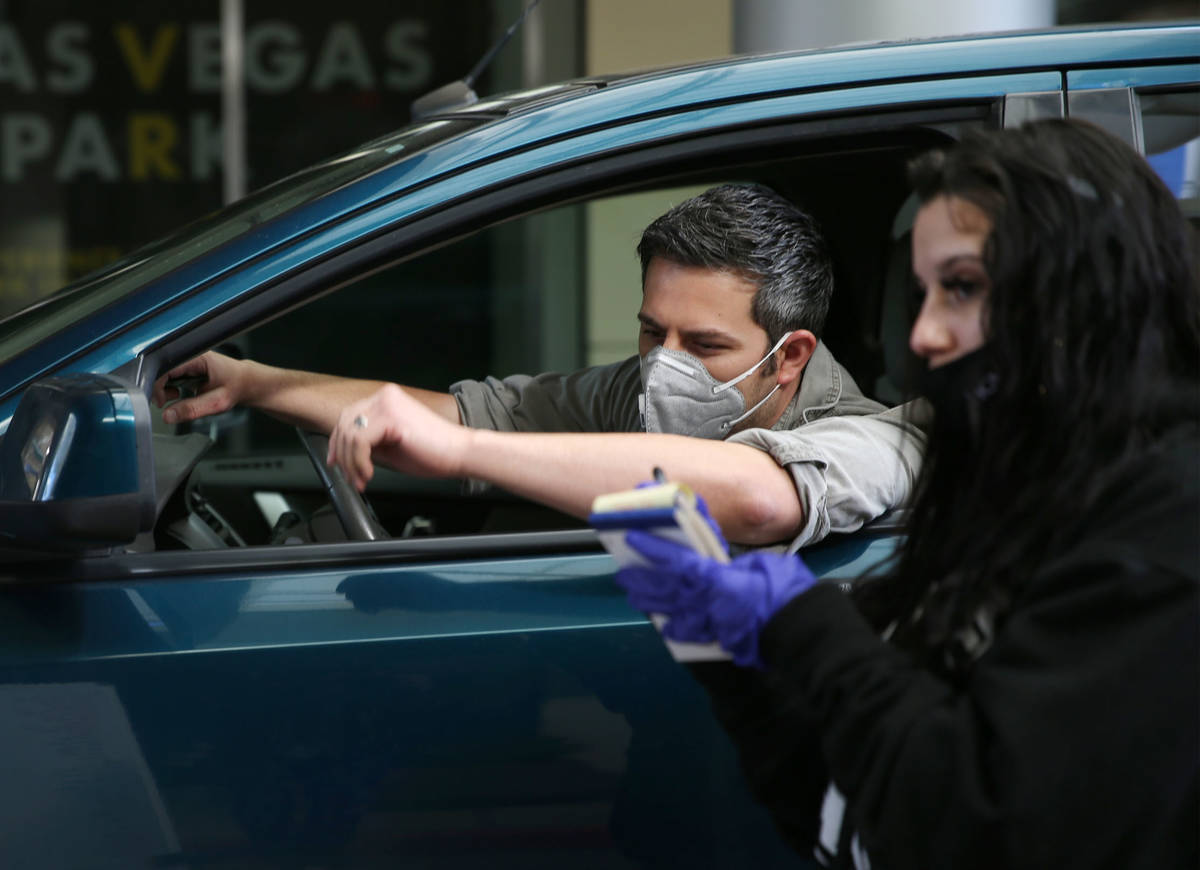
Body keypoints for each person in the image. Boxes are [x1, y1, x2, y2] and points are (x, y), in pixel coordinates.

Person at [613, 119, 1200, 869]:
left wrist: (803, 625)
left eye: (961, 288)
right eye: (921, 293)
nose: (922, 335)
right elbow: (871, 817)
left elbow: (975, 827)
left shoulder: (1167, 526)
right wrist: (740, 678)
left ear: (1082, 286)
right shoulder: (1008, 489)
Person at [157, 184, 924, 548]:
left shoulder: (882, 439)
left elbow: (759, 500)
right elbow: (476, 414)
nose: (666, 367)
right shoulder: (644, 389)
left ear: (790, 357)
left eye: (706, 345)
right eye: (652, 333)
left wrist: (465, 456)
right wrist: (257, 383)